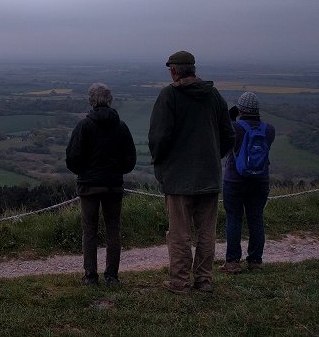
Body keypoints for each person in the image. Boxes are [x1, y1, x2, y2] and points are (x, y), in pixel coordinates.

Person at [148, 51, 234, 294]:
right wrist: (211, 158)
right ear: (193, 69)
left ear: (174, 71)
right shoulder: (213, 95)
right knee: (206, 232)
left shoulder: (169, 96)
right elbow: (229, 135)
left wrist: (161, 163)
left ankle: (180, 281)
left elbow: (158, 137)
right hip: (209, 176)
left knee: (180, 233)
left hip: (178, 179)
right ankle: (204, 280)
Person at [66, 83, 136, 287]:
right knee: (113, 229)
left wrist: (84, 172)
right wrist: (116, 172)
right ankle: (112, 276)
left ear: (91, 100)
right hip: (113, 186)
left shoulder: (84, 126)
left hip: (89, 186)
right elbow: (130, 159)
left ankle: (90, 276)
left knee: (89, 230)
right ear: (110, 100)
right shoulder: (121, 127)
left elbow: (72, 158)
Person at [220, 92, 276, 273]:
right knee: (256, 218)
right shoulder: (269, 130)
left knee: (234, 218)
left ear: (240, 109)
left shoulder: (235, 128)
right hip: (260, 180)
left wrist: (231, 115)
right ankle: (255, 261)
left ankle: (232, 262)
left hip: (234, 180)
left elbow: (224, 135)